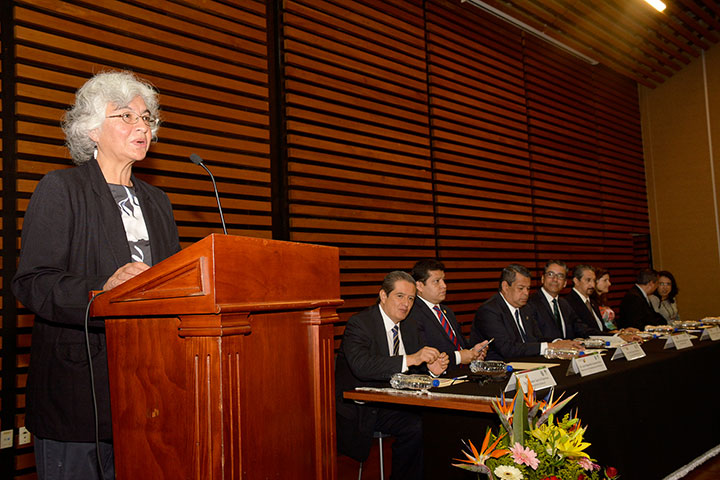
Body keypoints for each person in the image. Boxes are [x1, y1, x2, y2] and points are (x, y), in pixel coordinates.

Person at [11, 71, 181, 480]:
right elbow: (33, 282)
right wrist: (100, 291)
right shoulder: (60, 189)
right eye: (126, 116)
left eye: (147, 118)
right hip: (78, 394)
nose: (142, 127)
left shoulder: (158, 202)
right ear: (91, 130)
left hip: (150, 392)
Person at [335, 270, 449, 480]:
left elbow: (413, 368)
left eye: (411, 299)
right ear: (383, 295)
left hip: (398, 401)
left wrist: (431, 369)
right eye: (400, 296)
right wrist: (412, 359)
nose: (406, 303)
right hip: (363, 407)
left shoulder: (410, 326)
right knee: (416, 427)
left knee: (440, 420)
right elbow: (362, 366)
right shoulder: (360, 324)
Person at [470, 264, 581, 361]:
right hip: (501, 369)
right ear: (505, 287)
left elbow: (537, 339)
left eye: (528, 288)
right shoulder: (489, 311)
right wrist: (550, 346)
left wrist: (558, 343)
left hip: (527, 364)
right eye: (521, 288)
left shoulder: (525, 308)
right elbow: (507, 349)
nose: (526, 293)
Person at [409, 259, 488, 369]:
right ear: (420, 286)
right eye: (437, 281)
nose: (444, 285)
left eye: (443, 280)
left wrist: (473, 353)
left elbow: (459, 346)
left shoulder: (447, 311)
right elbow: (421, 355)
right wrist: (459, 357)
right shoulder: (412, 314)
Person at [527, 260, 595, 340]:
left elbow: (581, 329)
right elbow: (533, 336)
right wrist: (558, 344)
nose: (555, 279)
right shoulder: (531, 303)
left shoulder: (564, 304)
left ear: (565, 283)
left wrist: (606, 336)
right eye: (550, 274)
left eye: (560, 276)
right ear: (542, 279)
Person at [564, 265, 608, 334]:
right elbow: (583, 331)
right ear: (576, 281)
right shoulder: (568, 303)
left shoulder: (592, 302)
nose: (592, 285)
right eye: (588, 280)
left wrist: (618, 333)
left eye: (594, 281)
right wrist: (612, 335)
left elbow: (601, 328)